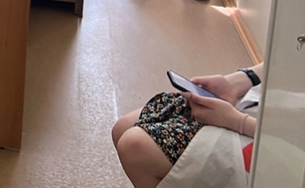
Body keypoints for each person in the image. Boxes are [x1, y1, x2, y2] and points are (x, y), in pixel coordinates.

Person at [112, 63, 263, 188]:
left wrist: (238, 121)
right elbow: (276, 59)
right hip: (259, 104)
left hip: (267, 141)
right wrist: (238, 81)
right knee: (124, 126)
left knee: (135, 147)